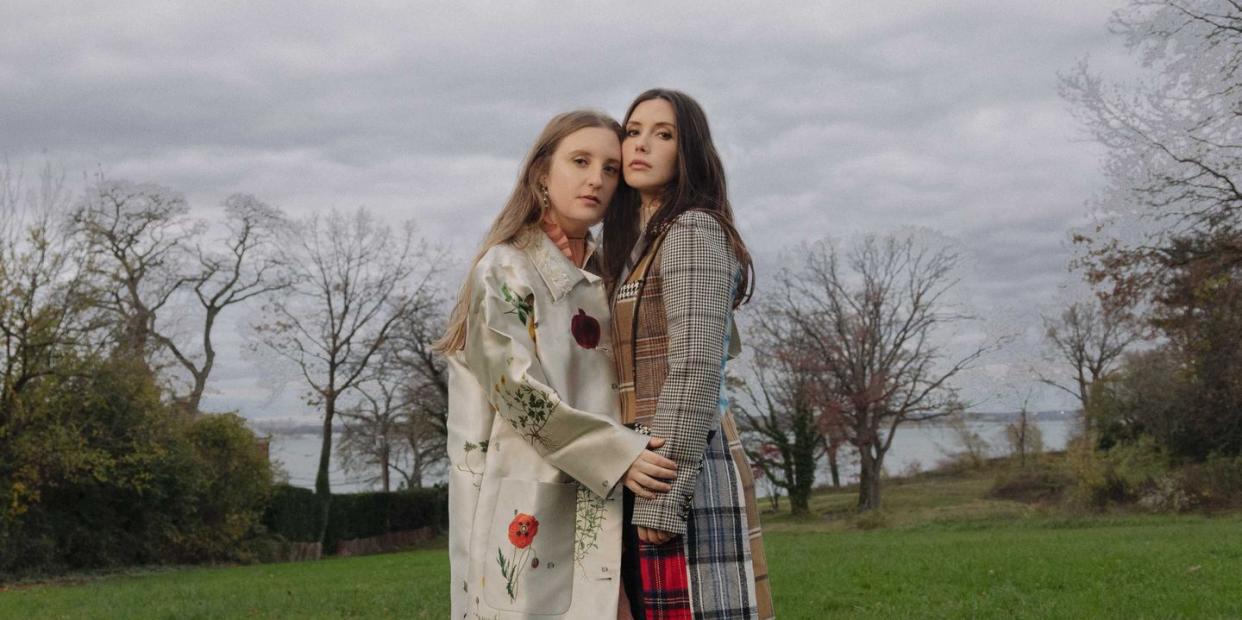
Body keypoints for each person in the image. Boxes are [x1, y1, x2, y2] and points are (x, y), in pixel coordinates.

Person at [438, 109, 679, 619]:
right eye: (580, 161)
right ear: (541, 173)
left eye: (611, 169)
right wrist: (620, 455)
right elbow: (517, 394)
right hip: (529, 505)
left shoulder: (616, 273)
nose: (596, 178)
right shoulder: (505, 268)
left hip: (615, 509)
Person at [603, 89, 775, 619]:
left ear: (689, 151)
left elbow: (697, 365)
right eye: (633, 131)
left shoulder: (692, 229)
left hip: (681, 466)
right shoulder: (644, 240)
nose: (642, 145)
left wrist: (664, 494)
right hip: (649, 461)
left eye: (664, 134)